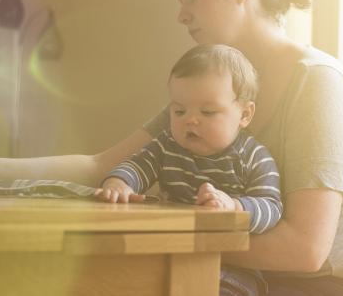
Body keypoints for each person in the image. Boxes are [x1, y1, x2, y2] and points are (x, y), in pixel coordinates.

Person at [0, 0, 343, 295]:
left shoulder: (316, 83)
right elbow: (101, 166)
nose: (181, 14)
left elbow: (306, 250)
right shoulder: (216, 88)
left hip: (328, 285)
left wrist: (173, 243)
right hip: (253, 276)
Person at [96, 43, 281, 296]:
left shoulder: (253, 157)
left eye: (208, 111)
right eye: (179, 111)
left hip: (231, 267)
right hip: (167, 254)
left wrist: (235, 207)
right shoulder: (167, 146)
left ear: (245, 115)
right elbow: (138, 165)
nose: (190, 120)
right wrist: (119, 182)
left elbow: (271, 207)